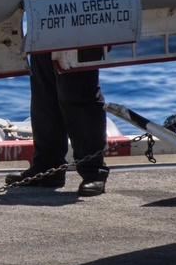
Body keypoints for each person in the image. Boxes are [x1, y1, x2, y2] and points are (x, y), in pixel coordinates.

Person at [6, 50, 109, 196]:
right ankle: (47, 169)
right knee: (44, 97)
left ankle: (93, 171)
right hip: (43, 31)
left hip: (81, 32)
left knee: (80, 94)